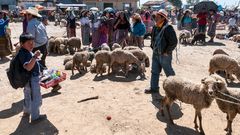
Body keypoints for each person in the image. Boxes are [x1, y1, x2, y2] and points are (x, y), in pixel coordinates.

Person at [145, 9, 177, 94]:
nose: (156, 18)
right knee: (154, 71)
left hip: (164, 54)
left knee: (169, 73)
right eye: (156, 16)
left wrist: (167, 51)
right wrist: (152, 46)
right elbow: (153, 38)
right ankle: (154, 88)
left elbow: (174, 42)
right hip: (156, 53)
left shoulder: (168, 28)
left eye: (158, 16)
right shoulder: (156, 26)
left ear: (163, 18)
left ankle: (175, 90)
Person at [18, 33, 47, 123]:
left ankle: (26, 112)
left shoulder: (25, 51)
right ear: (22, 44)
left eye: (32, 42)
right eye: (29, 43)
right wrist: (35, 57)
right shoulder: (23, 54)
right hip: (31, 80)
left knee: (27, 96)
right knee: (35, 98)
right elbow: (28, 67)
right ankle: (35, 117)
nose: (32, 44)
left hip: (28, 80)